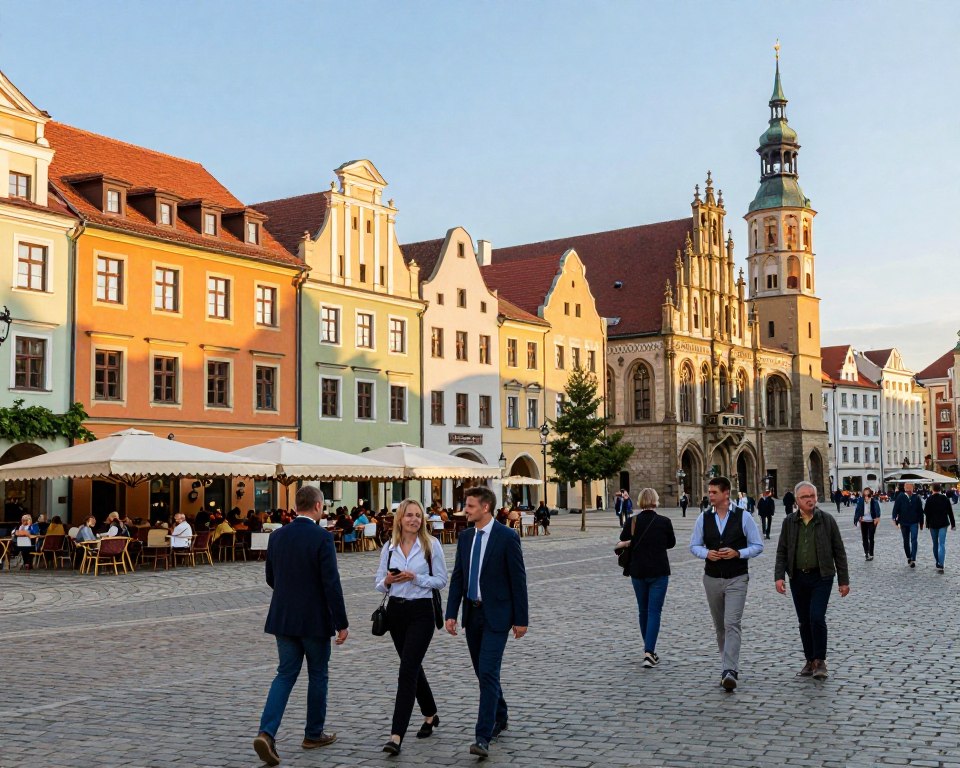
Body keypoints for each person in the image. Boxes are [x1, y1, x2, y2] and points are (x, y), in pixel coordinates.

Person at [253, 486, 348, 767]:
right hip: (314, 620)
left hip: (283, 618)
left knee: (284, 675)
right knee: (318, 674)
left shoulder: (278, 536)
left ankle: (266, 732)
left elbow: (271, 577)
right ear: (318, 506)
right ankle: (313, 733)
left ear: (297, 506)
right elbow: (331, 583)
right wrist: (341, 622)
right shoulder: (322, 537)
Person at [445, 487, 528, 759]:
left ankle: (483, 736)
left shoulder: (507, 537)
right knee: (483, 673)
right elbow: (458, 576)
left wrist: (521, 619)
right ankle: (500, 715)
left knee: (489, 671)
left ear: (485, 508)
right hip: (472, 614)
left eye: (469, 506)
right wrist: (451, 613)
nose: (465, 510)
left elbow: (518, 580)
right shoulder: (466, 537)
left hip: (497, 616)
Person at [375, 499, 448, 755]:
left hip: (421, 612)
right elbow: (379, 583)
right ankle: (430, 713)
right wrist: (388, 579)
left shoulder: (431, 545)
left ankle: (396, 736)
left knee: (406, 670)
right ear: (400, 519)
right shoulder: (390, 547)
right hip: (396, 612)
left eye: (418, 516)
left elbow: (441, 580)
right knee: (412, 665)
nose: (414, 520)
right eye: (409, 515)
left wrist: (415, 577)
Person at [689, 475, 764, 691]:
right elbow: (694, 545)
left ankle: (730, 669)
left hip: (737, 577)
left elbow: (757, 545)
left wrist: (738, 553)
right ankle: (726, 665)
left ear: (725, 493)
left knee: (732, 623)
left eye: (713, 492)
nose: (709, 495)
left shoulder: (743, 517)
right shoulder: (703, 518)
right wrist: (706, 553)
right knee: (720, 626)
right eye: (709, 492)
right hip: (712, 578)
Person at [774, 481, 850, 680]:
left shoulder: (827, 520)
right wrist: (779, 577)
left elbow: (839, 552)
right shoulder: (789, 522)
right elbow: (782, 550)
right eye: (805, 497)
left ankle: (820, 660)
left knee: (816, 617)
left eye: (812, 496)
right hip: (797, 577)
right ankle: (809, 660)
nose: (810, 500)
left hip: (822, 576)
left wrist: (844, 581)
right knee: (803, 621)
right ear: (797, 500)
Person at [615, 488, 676, 668]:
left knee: (643, 610)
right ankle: (649, 652)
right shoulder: (664, 521)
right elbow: (670, 543)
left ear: (640, 501)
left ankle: (648, 650)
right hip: (659, 571)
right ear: (656, 501)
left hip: (638, 571)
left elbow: (623, 539)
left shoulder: (632, 521)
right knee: (654, 611)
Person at [923, 483, 956, 573]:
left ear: (933, 489)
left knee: (935, 544)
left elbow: (926, 512)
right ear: (940, 489)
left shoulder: (929, 499)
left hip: (933, 524)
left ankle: (937, 561)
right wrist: (953, 524)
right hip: (943, 523)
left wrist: (927, 523)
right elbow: (950, 512)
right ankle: (941, 564)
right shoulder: (945, 499)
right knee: (942, 544)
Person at [892, 482, 925, 567]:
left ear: (913, 488)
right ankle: (908, 557)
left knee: (914, 540)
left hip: (914, 522)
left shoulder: (916, 497)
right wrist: (895, 520)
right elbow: (895, 509)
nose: (909, 489)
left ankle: (913, 558)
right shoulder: (900, 497)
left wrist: (921, 523)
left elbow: (920, 511)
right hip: (904, 522)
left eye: (910, 487)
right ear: (905, 488)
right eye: (907, 487)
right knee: (906, 541)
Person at [854, 488, 881, 561]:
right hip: (863, 521)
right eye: (864, 495)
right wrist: (857, 519)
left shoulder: (874, 502)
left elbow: (878, 511)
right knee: (864, 538)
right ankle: (866, 552)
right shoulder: (861, 501)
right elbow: (857, 510)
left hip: (872, 521)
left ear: (871, 495)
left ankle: (871, 554)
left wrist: (877, 518)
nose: (866, 496)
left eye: (868, 495)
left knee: (871, 538)